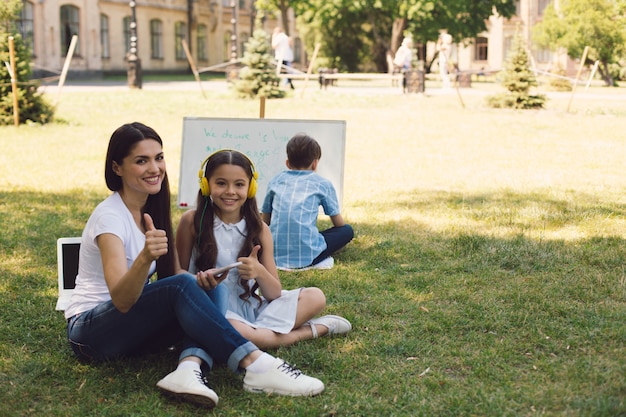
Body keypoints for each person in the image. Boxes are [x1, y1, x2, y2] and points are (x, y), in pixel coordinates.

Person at [64, 122, 325, 410]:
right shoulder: (110, 218)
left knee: (205, 290)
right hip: (90, 334)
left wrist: (204, 282)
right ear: (117, 168)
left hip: (127, 332)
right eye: (141, 161)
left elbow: (174, 276)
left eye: (159, 158)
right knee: (185, 285)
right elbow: (122, 300)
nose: (154, 168)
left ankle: (188, 369)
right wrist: (145, 258)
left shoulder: (150, 209)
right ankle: (257, 365)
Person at [176, 149, 352, 349]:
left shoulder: (260, 229)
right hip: (212, 307)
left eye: (239, 184)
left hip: (252, 307)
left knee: (315, 297)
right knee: (234, 329)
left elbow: (273, 293)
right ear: (206, 185)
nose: (230, 191)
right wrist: (197, 281)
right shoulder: (191, 220)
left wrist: (258, 271)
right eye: (221, 183)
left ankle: (255, 334)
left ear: (250, 188)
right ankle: (314, 329)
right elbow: (177, 273)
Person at [261, 133, 354, 271]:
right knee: (346, 230)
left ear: (287, 163)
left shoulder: (276, 180)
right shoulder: (322, 183)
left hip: (273, 253)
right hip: (308, 257)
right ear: (315, 163)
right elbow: (338, 224)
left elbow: (265, 221)